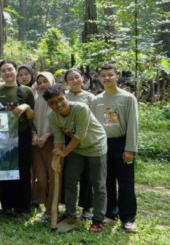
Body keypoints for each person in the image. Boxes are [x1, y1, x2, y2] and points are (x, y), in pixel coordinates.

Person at [44, 83, 108, 232]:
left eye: (61, 99)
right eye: (53, 103)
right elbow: (58, 138)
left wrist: (64, 153)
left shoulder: (80, 108)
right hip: (77, 149)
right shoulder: (52, 116)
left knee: (98, 184)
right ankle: (70, 215)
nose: (58, 105)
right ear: (48, 105)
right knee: (70, 181)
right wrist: (56, 158)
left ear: (66, 97)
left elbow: (79, 136)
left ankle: (98, 219)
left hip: (96, 147)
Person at [89, 64, 139, 233]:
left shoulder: (128, 98)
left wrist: (130, 148)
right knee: (106, 181)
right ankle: (110, 213)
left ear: (117, 76)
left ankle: (129, 218)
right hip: (103, 144)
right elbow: (93, 125)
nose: (107, 78)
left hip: (123, 143)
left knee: (126, 183)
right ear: (99, 78)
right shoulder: (96, 100)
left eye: (110, 75)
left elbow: (133, 124)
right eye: (103, 75)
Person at [0, 60, 34, 218]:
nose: (7, 73)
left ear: (15, 71)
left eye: (10, 70)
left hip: (22, 134)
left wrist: (25, 107)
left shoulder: (25, 91)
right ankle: (5, 205)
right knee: (3, 172)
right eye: (3, 71)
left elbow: (32, 116)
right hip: (1, 137)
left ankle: (23, 207)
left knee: (23, 171)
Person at [64, 68, 95, 219]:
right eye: (71, 79)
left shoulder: (90, 98)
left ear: (83, 79)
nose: (75, 80)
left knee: (87, 177)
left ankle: (87, 208)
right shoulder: (64, 96)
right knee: (70, 176)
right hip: (68, 139)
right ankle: (69, 208)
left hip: (87, 141)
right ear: (66, 83)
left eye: (77, 77)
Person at [31, 72, 58, 222]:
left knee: (54, 178)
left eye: (45, 81)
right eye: (39, 82)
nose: (42, 85)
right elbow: (33, 120)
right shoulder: (36, 99)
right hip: (37, 144)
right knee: (40, 178)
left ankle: (51, 210)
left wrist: (47, 135)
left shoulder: (57, 99)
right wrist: (34, 134)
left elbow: (61, 122)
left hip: (53, 143)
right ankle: (43, 205)